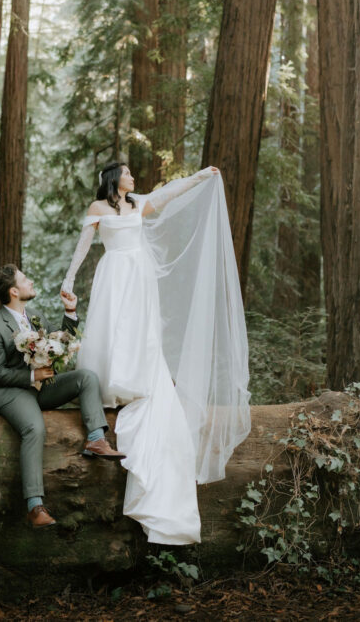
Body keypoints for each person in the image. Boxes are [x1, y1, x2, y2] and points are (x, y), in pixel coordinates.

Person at [60, 163, 251, 545]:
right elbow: (83, 247)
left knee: (140, 331)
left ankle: (138, 378)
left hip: (139, 275)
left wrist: (199, 177)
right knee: (113, 327)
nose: (133, 178)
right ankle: (110, 381)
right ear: (114, 179)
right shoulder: (98, 210)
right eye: (128, 174)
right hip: (114, 273)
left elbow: (168, 193)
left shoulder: (139, 204)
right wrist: (67, 282)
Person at [0, 264, 126, 530]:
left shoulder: (34, 316)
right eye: (25, 279)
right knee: (35, 427)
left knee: (86, 377)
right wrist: (32, 378)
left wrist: (70, 311)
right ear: (14, 290)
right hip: (10, 391)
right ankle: (35, 506)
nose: (30, 281)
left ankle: (96, 439)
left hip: (40, 386)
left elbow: (59, 342)